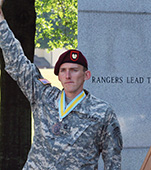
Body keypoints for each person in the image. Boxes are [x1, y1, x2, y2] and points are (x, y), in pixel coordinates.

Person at [0, 1, 122, 169]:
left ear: (86, 75)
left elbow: (113, 161)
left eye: (74, 70)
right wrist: (1, 21)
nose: (68, 75)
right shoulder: (44, 96)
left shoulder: (102, 112)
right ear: (58, 76)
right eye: (63, 70)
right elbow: (18, 62)